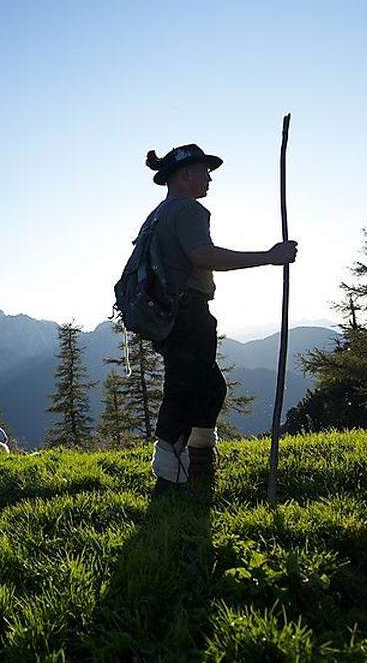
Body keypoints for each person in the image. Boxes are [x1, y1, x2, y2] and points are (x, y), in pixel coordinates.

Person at [144, 144, 297, 494]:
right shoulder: (188, 210)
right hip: (188, 312)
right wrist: (269, 257)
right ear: (185, 175)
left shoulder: (159, 213)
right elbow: (202, 256)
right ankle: (171, 481)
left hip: (168, 314)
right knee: (184, 391)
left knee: (209, 388)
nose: (210, 177)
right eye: (204, 170)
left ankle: (198, 464)